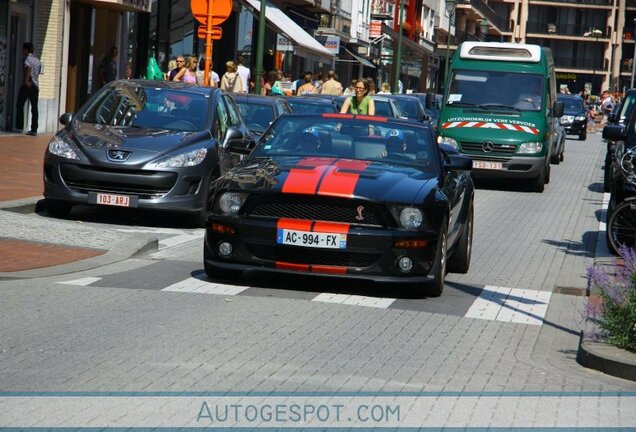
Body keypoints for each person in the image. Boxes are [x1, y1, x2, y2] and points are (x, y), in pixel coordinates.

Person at [16, 42, 42, 136]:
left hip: (28, 85)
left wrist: (26, 81)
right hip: (35, 86)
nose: (22, 51)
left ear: (26, 50)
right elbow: (39, 72)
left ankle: (19, 127)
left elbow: (28, 69)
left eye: (23, 49)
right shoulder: (38, 60)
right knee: (34, 108)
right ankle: (34, 129)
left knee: (19, 104)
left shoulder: (27, 59)